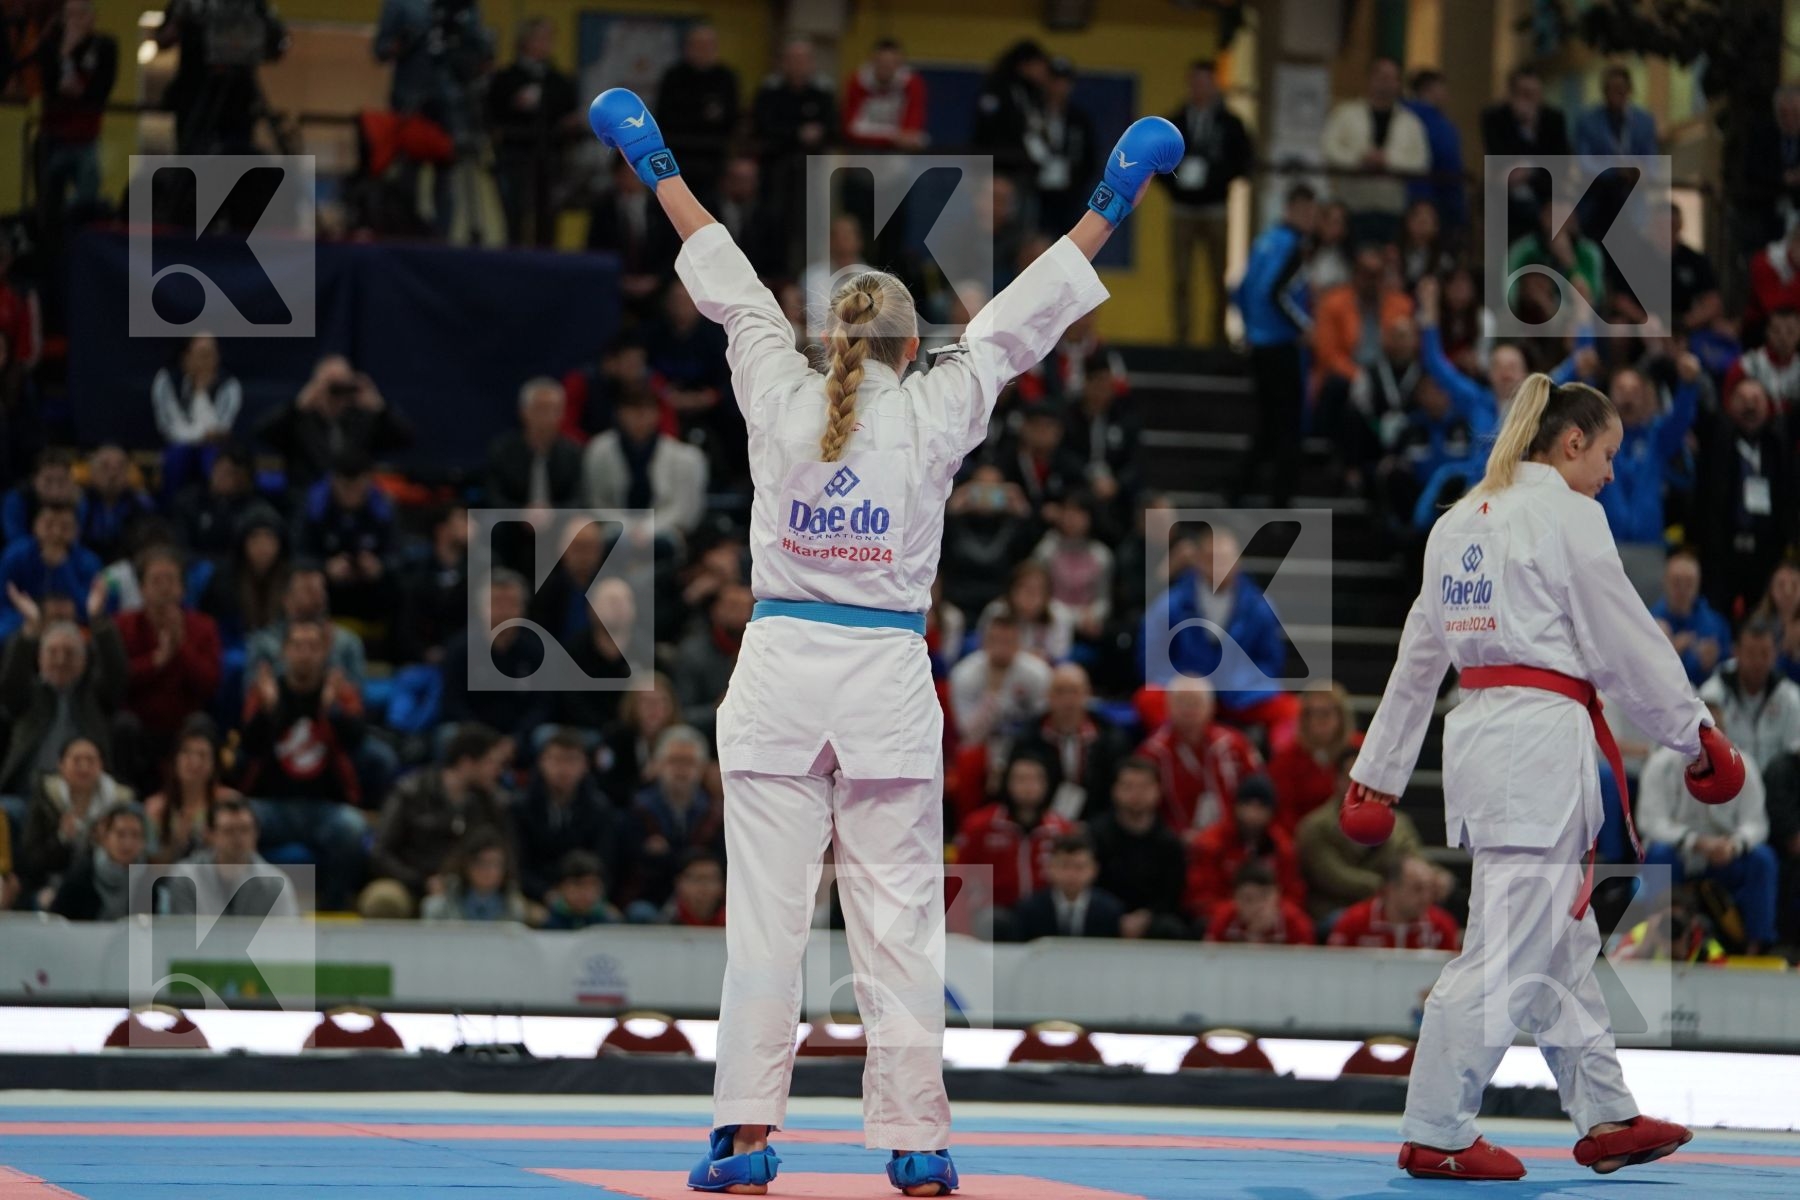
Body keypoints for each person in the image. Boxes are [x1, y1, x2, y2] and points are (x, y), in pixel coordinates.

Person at [587, 83, 1179, 1193]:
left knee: (764, 918)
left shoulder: (778, 384)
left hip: (776, 669)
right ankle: (914, 1138)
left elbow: (731, 287)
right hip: (883, 678)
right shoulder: (938, 406)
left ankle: (745, 1135)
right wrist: (1114, 198)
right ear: (913, 344)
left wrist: (654, 163)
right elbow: (1022, 318)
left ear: (833, 340)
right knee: (900, 920)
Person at [1346, 370, 1731, 1177]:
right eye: (1610, 454)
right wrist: (1696, 736)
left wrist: (1376, 775)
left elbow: (1420, 661)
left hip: (1483, 739)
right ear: (1572, 441)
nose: (1614, 474)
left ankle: (1606, 1116)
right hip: (1535, 745)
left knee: (1558, 940)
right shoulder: (1569, 513)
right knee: (1508, 949)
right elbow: (1625, 642)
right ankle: (1437, 1129)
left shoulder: (1455, 525)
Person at [237, 621, 370, 911]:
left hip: (324, 808)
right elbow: (247, 745)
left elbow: (358, 741)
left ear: (324, 652)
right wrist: (270, 710)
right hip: (272, 805)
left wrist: (331, 710)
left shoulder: (339, 691)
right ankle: (245, 908)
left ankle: (334, 910)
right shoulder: (266, 690)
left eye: (313, 646)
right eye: (298, 646)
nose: (305, 653)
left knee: (354, 828)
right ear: (285, 652)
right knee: (234, 824)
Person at [1636, 709, 1777, 954]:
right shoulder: (1662, 764)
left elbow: (1757, 824)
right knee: (1658, 854)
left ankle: (1755, 948)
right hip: (1681, 854)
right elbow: (1650, 821)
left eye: (1712, 734)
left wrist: (1735, 845)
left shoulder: (1743, 765)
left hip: (1726, 857)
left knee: (1762, 859)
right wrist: (1695, 842)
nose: (1704, 742)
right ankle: (1653, 944)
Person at [1232, 184, 1317, 508]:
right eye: (1308, 212)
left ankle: (1238, 491)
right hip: (1281, 346)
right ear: (1294, 210)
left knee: (1268, 425)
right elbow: (1277, 293)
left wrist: (1250, 328)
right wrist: (1304, 327)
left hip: (1260, 345)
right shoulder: (1294, 246)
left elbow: (1240, 290)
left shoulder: (1263, 241)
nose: (1311, 219)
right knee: (1288, 427)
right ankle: (1280, 502)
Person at [0, 586, 123, 799]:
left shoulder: (95, 695)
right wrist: (30, 628)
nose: (60, 660)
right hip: (25, 796)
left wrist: (98, 621)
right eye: (52, 652)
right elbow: (11, 682)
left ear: (84, 661)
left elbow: (116, 672)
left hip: (86, 799)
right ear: (39, 659)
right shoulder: (27, 695)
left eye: (69, 653)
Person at [1161, 59, 1251, 347]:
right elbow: (1157, 162)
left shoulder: (1230, 124)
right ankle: (1182, 338)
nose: (1201, 88)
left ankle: (1217, 339)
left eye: (1206, 82)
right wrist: (1177, 183)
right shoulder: (1175, 122)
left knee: (1218, 277)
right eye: (1196, 82)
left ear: (1214, 85)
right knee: (1181, 277)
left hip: (1215, 208)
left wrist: (1214, 178)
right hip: (1182, 208)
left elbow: (1243, 161)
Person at [113, 546, 222, 777]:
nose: (164, 588)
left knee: (202, 725)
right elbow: (115, 682)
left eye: (170, 580)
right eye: (156, 581)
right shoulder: (123, 626)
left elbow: (209, 685)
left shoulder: (203, 627)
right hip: (139, 724)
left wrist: (180, 649)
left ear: (182, 588)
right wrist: (155, 662)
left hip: (183, 725)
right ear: (142, 589)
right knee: (122, 726)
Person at [256, 356, 414, 489]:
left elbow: (405, 438)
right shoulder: (298, 421)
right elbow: (261, 434)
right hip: (305, 502)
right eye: (332, 387)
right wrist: (297, 406)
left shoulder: (363, 421)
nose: (337, 396)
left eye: (343, 386)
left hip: (354, 500)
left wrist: (380, 407)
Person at [486, 17, 578, 247]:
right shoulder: (507, 77)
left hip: (550, 156)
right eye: (540, 38)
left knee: (547, 215)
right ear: (525, 41)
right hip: (515, 157)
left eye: (549, 38)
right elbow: (493, 112)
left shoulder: (558, 80)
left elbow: (568, 109)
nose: (546, 44)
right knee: (515, 215)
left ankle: (546, 266)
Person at [1320, 57, 1429, 246]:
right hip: (1353, 207)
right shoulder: (1345, 114)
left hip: (1392, 209)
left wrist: (1389, 161)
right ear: (1370, 79)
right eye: (1381, 77)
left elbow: (1421, 161)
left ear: (1398, 83)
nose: (1386, 83)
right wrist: (1359, 159)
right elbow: (1329, 149)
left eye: (1391, 78)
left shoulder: (1411, 123)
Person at [581, 385, 710, 541]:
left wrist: (648, 529)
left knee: (666, 542)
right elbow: (595, 503)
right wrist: (628, 527)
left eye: (646, 411)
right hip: (614, 531)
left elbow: (684, 510)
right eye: (632, 411)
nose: (639, 418)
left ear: (657, 414)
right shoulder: (598, 450)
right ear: (619, 414)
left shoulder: (684, 457)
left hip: (664, 531)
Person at [1085, 757, 1190, 939]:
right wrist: (1115, 915)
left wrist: (1146, 916)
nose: (1136, 794)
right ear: (1115, 790)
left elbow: (1171, 894)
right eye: (1128, 787)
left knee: (1170, 927)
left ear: (1158, 791)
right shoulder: (1095, 836)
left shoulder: (1169, 843)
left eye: (1144, 787)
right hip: (1103, 914)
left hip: (1152, 921)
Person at [513, 728, 621, 904]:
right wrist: (546, 893)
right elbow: (518, 864)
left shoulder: (600, 809)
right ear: (542, 763)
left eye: (571, 760)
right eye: (556, 760)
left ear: (585, 765)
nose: (563, 768)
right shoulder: (520, 808)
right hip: (534, 897)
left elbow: (605, 863)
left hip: (587, 896)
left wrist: (583, 893)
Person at [32, 0, 115, 219]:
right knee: (47, 207)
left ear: (91, 18)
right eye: (68, 16)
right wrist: (66, 54)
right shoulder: (50, 47)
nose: (73, 22)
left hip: (86, 139)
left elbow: (96, 93)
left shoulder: (106, 46)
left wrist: (73, 86)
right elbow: (53, 88)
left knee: (86, 207)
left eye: (79, 15)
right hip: (52, 137)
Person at [1183, 773, 1305, 920]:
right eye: (1248, 805)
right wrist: (1236, 913)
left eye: (1260, 807)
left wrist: (1270, 912)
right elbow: (1201, 895)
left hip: (1271, 919)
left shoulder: (1282, 846)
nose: (1253, 814)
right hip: (1220, 918)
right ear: (1237, 807)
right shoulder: (1211, 844)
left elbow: (1293, 893)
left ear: (1271, 812)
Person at [162, 797, 301, 920]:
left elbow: (287, 939)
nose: (238, 838)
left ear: (256, 833)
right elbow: (180, 937)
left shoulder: (276, 883)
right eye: (229, 831)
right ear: (210, 834)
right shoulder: (185, 877)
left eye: (245, 830)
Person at [1699, 621, 1800, 772]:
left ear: (1775, 654)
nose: (1758, 662)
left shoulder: (1790, 698)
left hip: (1777, 789)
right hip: (1729, 786)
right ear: (1736, 652)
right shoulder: (1712, 697)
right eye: (1751, 653)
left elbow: (1794, 756)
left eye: (1765, 653)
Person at [144, 716, 241, 865]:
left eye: (202, 755)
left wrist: (220, 845)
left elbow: (244, 855)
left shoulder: (230, 801)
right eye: (187, 753)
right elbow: (151, 871)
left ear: (214, 764)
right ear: (175, 759)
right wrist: (175, 845)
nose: (194, 762)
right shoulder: (155, 808)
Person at [1268, 682, 1362, 834]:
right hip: (1306, 838)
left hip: (1355, 833)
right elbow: (1283, 812)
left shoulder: (1360, 751)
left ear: (1341, 716)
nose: (1320, 720)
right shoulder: (1286, 760)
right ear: (1304, 719)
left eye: (1326, 713)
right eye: (1313, 713)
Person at [0, 500, 101, 639]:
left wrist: (63, 567)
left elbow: (90, 610)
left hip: (72, 626)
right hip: (23, 621)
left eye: (65, 527)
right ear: (35, 526)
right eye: (49, 525)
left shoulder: (89, 562)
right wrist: (33, 618)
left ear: (77, 531)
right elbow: (3, 604)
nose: (56, 533)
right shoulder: (15, 556)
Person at [1326, 854, 1462, 950]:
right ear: (1391, 889)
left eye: (1430, 889)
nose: (1426, 897)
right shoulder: (1354, 921)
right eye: (1417, 889)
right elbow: (1334, 969)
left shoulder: (1442, 926)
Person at [487, 378, 585, 508]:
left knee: (583, 525)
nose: (548, 417)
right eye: (541, 409)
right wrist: (523, 514)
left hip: (560, 521)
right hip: (512, 522)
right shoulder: (501, 451)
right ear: (523, 412)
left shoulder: (573, 453)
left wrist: (552, 513)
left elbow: (579, 499)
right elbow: (493, 499)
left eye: (554, 410)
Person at [1011, 833, 1123, 940]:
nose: (1071, 874)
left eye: (1079, 867)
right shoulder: (1029, 910)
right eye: (1064, 866)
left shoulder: (1109, 910)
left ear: (1094, 870)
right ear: (1050, 868)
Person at [49, 800, 146, 921]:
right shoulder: (81, 876)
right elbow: (56, 922)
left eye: (135, 835)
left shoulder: (147, 881)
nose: (128, 844)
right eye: (120, 834)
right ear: (105, 837)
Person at [1652, 549, 1732, 687]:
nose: (1682, 589)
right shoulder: (1649, 622)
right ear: (1664, 581)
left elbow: (1729, 670)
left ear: (1698, 584)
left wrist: (1712, 665)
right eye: (1676, 582)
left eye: (1689, 582)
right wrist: (1668, 654)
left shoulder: (1716, 625)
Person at [1403, 69, 1464, 234]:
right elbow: (1446, 156)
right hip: (1432, 193)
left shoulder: (1438, 120)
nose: (1446, 95)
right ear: (1428, 89)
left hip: (1436, 192)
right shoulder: (1423, 120)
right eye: (1442, 89)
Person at [420, 831, 530, 923]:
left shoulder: (514, 908)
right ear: (467, 865)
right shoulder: (441, 906)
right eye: (482, 863)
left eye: (495, 863)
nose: (488, 871)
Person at [841, 38, 926, 152]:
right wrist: (892, 137)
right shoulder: (857, 82)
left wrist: (899, 137)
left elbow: (911, 131)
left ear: (899, 64)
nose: (886, 68)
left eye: (892, 64)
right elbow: (851, 129)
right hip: (861, 149)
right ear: (872, 61)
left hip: (897, 152)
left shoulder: (912, 84)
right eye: (882, 63)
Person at [1205, 861, 1316, 945]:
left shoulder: (1296, 923)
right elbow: (1207, 959)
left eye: (1264, 897)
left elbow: (1306, 964)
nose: (1258, 905)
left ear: (1277, 894)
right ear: (1235, 899)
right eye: (1248, 899)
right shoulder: (1223, 920)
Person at [540, 848, 623, 929]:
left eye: (591, 885)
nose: (584, 892)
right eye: (577, 884)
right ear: (561, 887)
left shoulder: (609, 923)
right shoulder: (549, 921)